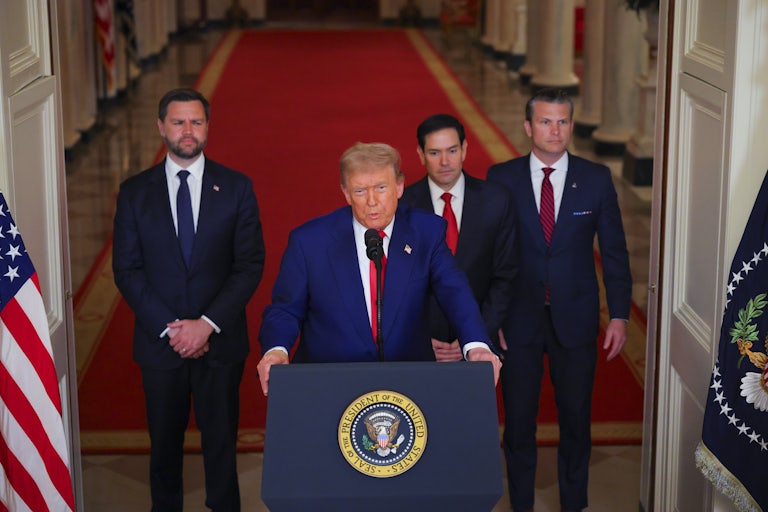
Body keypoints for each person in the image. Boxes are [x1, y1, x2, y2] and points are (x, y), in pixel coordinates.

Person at [112, 88, 266, 512]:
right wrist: (171, 327)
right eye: (178, 122)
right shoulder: (134, 192)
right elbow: (127, 270)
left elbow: (249, 264)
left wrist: (206, 324)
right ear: (161, 126)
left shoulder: (236, 188)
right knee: (163, 448)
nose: (187, 131)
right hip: (160, 343)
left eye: (196, 122)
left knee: (221, 445)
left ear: (207, 127)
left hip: (220, 343)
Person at [256, 142, 501, 395]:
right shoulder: (309, 241)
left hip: (408, 383)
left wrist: (476, 345)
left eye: (381, 188)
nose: (372, 201)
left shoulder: (426, 232)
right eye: (360, 191)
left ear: (399, 186)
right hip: (329, 384)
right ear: (346, 193)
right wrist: (276, 350)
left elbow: (455, 293)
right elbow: (285, 309)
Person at [486, 88, 632, 512]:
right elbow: (489, 255)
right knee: (517, 424)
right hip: (517, 322)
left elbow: (616, 252)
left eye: (563, 121)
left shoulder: (597, 178)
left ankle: (574, 503)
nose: (555, 130)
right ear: (529, 127)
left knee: (575, 420)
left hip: (577, 319)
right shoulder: (502, 178)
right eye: (546, 122)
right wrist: (490, 318)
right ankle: (522, 504)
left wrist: (620, 315)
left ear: (571, 125)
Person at [400, 113, 517, 361]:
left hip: (479, 347)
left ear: (464, 149)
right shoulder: (403, 207)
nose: (445, 161)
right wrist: (418, 339)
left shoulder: (497, 200)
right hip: (421, 347)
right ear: (420, 155)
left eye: (452, 150)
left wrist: (475, 338)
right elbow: (395, 283)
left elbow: (505, 276)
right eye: (434, 153)